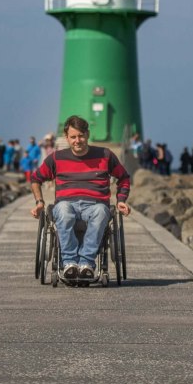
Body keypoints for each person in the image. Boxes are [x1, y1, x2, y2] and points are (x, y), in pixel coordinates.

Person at [30, 115, 131, 281]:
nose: (78, 140)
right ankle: (69, 262)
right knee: (61, 209)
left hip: (96, 204)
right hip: (66, 203)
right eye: (73, 137)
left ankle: (86, 263)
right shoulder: (57, 157)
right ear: (67, 137)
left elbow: (124, 177)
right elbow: (36, 179)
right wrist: (39, 202)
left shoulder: (105, 155)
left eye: (81, 136)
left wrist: (121, 200)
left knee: (100, 212)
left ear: (88, 134)